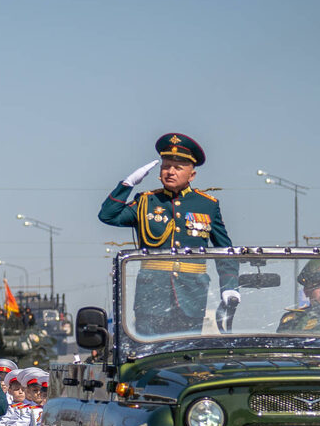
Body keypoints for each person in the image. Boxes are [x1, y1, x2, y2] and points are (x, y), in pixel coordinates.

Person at [98, 133, 240, 334]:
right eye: (166, 166)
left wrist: (230, 287)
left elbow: (225, 252)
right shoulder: (145, 202)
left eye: (178, 168)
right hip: (151, 299)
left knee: (187, 357)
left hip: (192, 298)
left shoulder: (208, 205)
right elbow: (107, 215)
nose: (170, 172)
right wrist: (127, 184)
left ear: (191, 175)